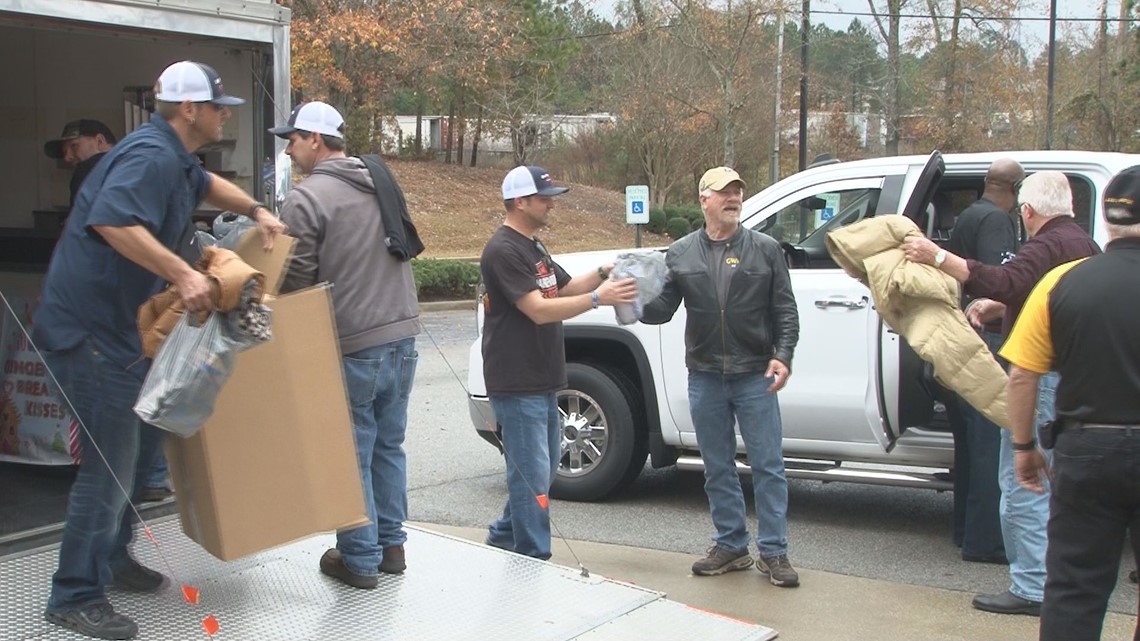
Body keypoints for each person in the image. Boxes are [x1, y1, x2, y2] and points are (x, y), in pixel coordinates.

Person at [31, 60, 286, 640]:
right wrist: (181, 272)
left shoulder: (174, 158)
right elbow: (113, 222)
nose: (226, 113)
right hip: (90, 336)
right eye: (219, 106)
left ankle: (113, 557)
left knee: (145, 448)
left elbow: (205, 185)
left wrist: (255, 209)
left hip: (123, 334)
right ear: (189, 110)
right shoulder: (147, 156)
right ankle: (74, 593)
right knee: (111, 467)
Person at [902, 170, 1100, 616]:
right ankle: (1053, 580)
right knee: (1053, 485)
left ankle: (1031, 586)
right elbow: (1047, 297)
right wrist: (1004, 308)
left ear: (1027, 211)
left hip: (1043, 379)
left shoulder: (1046, 244)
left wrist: (937, 257)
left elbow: (1007, 279)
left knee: (1022, 481)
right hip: (1074, 379)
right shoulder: (1083, 245)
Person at [272, 101, 421, 589]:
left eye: (292, 139)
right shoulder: (379, 180)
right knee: (388, 445)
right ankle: (392, 547)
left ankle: (358, 558)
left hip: (355, 342)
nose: (289, 149)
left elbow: (295, 280)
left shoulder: (307, 198)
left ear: (315, 139)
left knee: (351, 451)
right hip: (402, 335)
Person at [640, 167, 801, 587]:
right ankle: (731, 545)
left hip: (755, 374)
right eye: (723, 192)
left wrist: (783, 355)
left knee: (768, 465)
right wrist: (634, 296)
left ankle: (774, 552)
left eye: (737, 192)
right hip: (706, 375)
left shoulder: (765, 249)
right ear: (703, 200)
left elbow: (785, 310)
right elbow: (662, 311)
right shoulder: (680, 253)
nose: (732, 198)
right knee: (716, 467)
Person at [1001, 165, 1140, 641]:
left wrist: (1023, 447)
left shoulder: (1062, 281)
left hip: (1086, 451)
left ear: (1107, 219)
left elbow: (1022, 375)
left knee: (1074, 590)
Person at [481, 165, 637, 560]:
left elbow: (562, 288)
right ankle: (534, 556)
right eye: (544, 197)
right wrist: (602, 299)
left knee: (541, 472)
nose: (552, 204)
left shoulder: (533, 246)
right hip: (517, 384)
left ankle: (503, 533)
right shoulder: (503, 250)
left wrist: (604, 272)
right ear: (520, 201)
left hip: (543, 380)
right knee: (532, 477)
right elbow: (537, 309)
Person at [942, 158, 1025, 565]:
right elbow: (1000, 281)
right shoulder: (996, 222)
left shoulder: (969, 216)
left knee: (971, 446)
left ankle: (965, 531)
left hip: (962, 341)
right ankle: (985, 541)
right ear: (1014, 188)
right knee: (990, 444)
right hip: (986, 342)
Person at [44, 119, 117, 207]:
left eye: (74, 146)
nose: (67, 158)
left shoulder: (87, 170)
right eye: (65, 152)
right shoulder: (131, 164)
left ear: (99, 141)